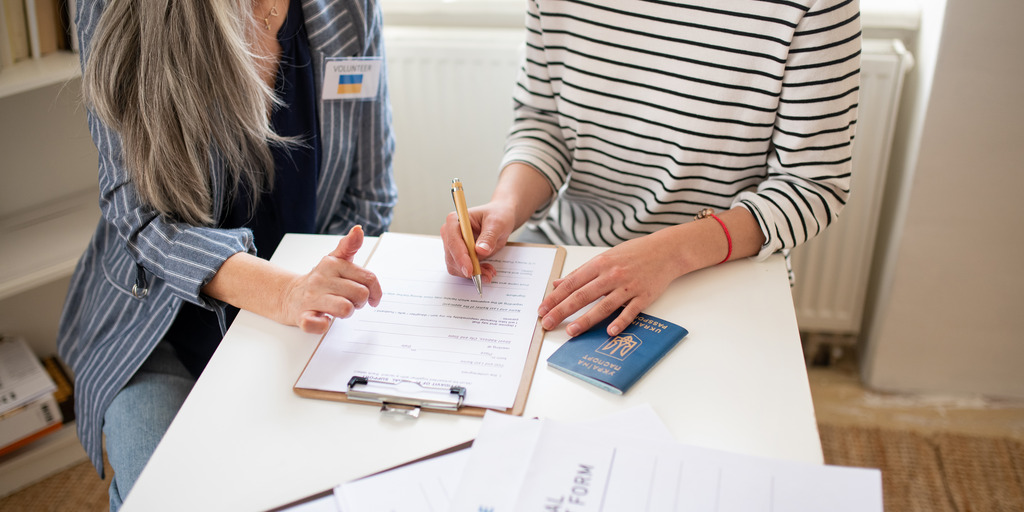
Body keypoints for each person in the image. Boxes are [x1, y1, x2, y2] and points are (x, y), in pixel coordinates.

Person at [57, 0, 396, 508]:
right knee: (168, 498)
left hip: (299, 326)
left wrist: (321, 295)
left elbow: (369, 193)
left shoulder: (346, 9)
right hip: (156, 326)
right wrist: (283, 292)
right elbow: (139, 216)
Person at [441, 0, 861, 339]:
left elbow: (813, 185)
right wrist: (507, 205)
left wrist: (671, 252)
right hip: (576, 258)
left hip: (720, 273)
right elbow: (544, 123)